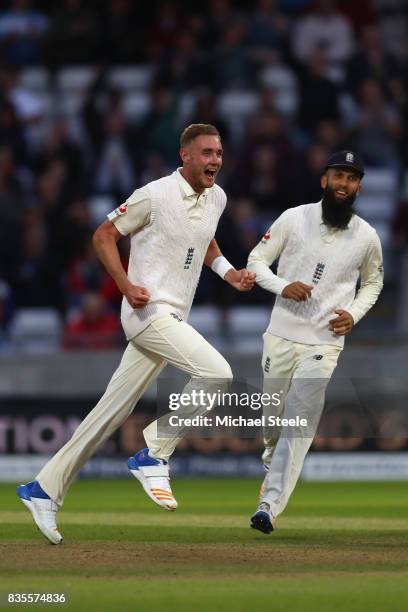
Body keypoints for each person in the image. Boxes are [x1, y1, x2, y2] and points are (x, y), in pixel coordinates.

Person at [17, 123, 256, 544]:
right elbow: (103, 235)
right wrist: (126, 286)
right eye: (206, 153)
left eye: (218, 152)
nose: (215, 160)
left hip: (172, 319)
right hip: (146, 315)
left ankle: (43, 489)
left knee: (109, 412)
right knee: (216, 372)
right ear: (185, 156)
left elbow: (206, 242)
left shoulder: (216, 197)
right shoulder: (154, 194)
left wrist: (229, 272)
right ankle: (154, 453)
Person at [247, 150, 383, 534]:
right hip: (281, 334)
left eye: (353, 179)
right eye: (339, 176)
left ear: (358, 187)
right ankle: (271, 462)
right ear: (324, 180)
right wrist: (282, 286)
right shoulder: (294, 218)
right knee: (273, 423)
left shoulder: (367, 236)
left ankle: (268, 507)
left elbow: (373, 282)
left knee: (299, 421)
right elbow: (256, 260)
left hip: (325, 341)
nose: (345, 185)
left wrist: (353, 314)